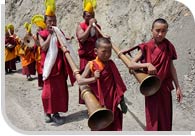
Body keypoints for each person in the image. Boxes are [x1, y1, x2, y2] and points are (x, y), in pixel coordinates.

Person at [123, 18, 183, 131]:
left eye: (163, 31)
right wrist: (147, 65)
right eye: (157, 30)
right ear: (152, 30)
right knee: (153, 118)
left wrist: (178, 87)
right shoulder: (146, 47)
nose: (160, 34)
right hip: (151, 88)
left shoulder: (169, 46)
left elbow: (171, 68)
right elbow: (131, 64)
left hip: (164, 88)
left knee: (165, 118)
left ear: (166, 31)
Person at [77, 37, 127, 131]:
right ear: (96, 51)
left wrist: (122, 101)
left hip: (112, 102)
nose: (107, 54)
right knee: (101, 125)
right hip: (98, 103)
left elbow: (118, 83)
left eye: (109, 51)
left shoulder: (111, 64)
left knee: (114, 125)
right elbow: (80, 81)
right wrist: (93, 79)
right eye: (104, 51)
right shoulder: (91, 64)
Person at [38, 1, 75, 125]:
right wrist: (50, 35)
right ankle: (47, 112)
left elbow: (62, 42)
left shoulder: (59, 31)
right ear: (45, 22)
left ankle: (56, 113)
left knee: (59, 91)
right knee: (48, 92)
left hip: (59, 67)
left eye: (54, 21)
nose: (53, 23)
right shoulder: (41, 34)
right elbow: (43, 47)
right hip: (49, 68)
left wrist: (66, 38)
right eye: (50, 21)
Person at [76, 2, 101, 104]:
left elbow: (100, 39)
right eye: (87, 16)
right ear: (84, 16)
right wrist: (90, 27)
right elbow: (81, 39)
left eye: (91, 16)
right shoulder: (80, 26)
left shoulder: (97, 26)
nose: (89, 18)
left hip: (95, 58)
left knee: (96, 79)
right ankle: (88, 102)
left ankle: (97, 101)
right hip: (85, 58)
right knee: (85, 79)